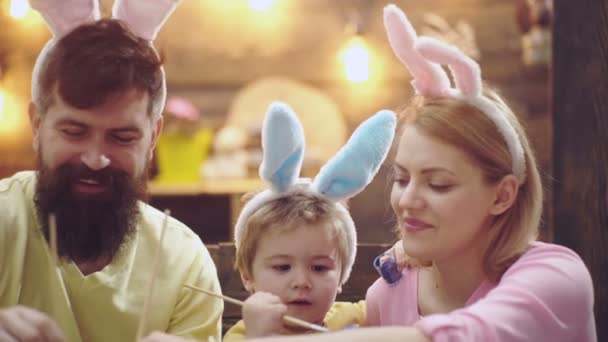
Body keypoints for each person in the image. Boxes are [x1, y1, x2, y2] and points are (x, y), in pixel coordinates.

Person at [245, 4, 596, 342]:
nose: (408, 200)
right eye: (401, 179)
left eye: (438, 184)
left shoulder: (557, 278)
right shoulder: (388, 294)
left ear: (502, 196)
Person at [0, 1, 222, 341]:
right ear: (37, 124)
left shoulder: (185, 264)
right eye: (74, 132)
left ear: (153, 137)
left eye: (122, 137)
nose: (95, 158)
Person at [220, 102, 395, 339]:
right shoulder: (244, 335)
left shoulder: (361, 319)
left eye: (319, 268)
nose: (301, 282)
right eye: (282, 267)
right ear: (247, 276)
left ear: (342, 274)